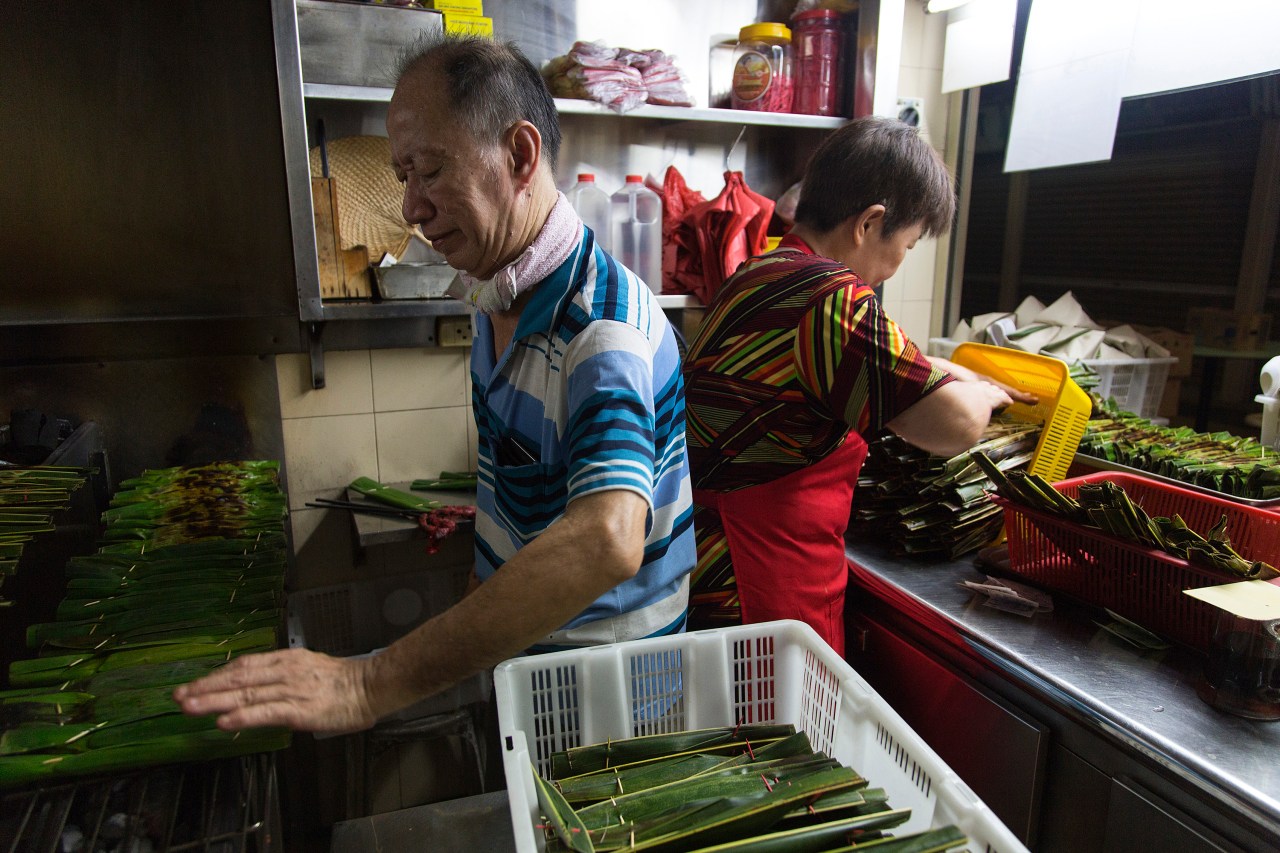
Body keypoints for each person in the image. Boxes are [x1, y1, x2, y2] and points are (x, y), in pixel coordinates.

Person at [175, 34, 695, 733]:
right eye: (403, 177)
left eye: (430, 170)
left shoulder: (602, 331)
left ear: (519, 155)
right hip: (532, 666)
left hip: (609, 699)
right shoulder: (495, 294)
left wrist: (365, 684)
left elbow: (607, 538)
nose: (412, 208)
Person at [682, 116, 1027, 656]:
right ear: (869, 223)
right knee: (772, 737)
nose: (895, 267)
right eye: (908, 246)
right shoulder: (830, 298)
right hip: (759, 590)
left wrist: (947, 369)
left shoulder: (765, 272)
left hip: (710, 563)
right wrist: (980, 395)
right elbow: (953, 427)